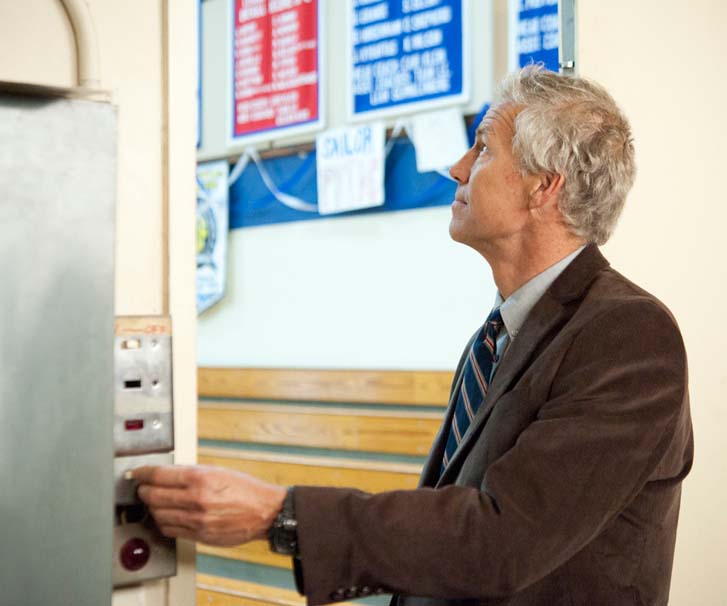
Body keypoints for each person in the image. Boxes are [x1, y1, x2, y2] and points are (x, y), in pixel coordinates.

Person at [134, 66, 693, 606]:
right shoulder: (500, 333)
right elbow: (452, 524)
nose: (457, 167)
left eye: (483, 150)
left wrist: (276, 514)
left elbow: (503, 540)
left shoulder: (628, 335)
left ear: (544, 187)